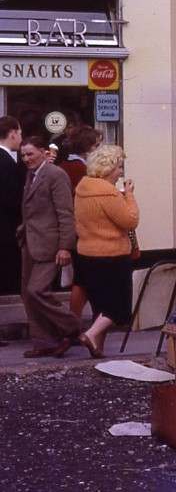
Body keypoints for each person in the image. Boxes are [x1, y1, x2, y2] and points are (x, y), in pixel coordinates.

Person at [74, 145, 139, 358]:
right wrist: (129, 196)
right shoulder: (108, 192)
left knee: (100, 305)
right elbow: (130, 221)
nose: (121, 172)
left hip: (86, 254)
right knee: (119, 307)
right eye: (119, 167)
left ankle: (97, 348)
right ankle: (90, 335)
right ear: (109, 168)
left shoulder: (83, 188)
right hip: (112, 255)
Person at [18, 136, 80, 358]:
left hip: (49, 244)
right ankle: (45, 341)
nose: (26, 159)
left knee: (37, 290)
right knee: (27, 294)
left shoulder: (56, 175)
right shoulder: (31, 174)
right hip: (30, 242)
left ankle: (73, 327)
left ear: (44, 152)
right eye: (23, 155)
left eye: (30, 154)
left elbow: (65, 213)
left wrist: (65, 247)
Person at [57, 125, 103, 319]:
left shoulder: (65, 166)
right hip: (84, 232)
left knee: (82, 280)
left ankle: (77, 323)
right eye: (97, 145)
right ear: (87, 147)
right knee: (84, 280)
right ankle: (76, 323)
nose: (99, 149)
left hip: (77, 231)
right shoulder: (81, 170)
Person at [0, 116, 26, 299]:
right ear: (12, 134)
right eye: (20, 133)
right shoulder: (5, 161)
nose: (21, 138)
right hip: (6, 229)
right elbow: (12, 197)